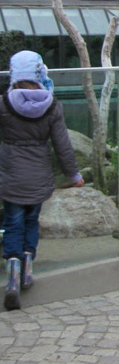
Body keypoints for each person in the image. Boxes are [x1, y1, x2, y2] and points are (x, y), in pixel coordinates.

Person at [1, 51, 84, 310]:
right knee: (31, 221)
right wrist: (74, 175)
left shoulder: (3, 103)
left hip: (10, 175)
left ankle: (12, 274)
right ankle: (27, 267)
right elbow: (62, 146)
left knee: (12, 222)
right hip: (38, 175)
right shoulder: (52, 105)